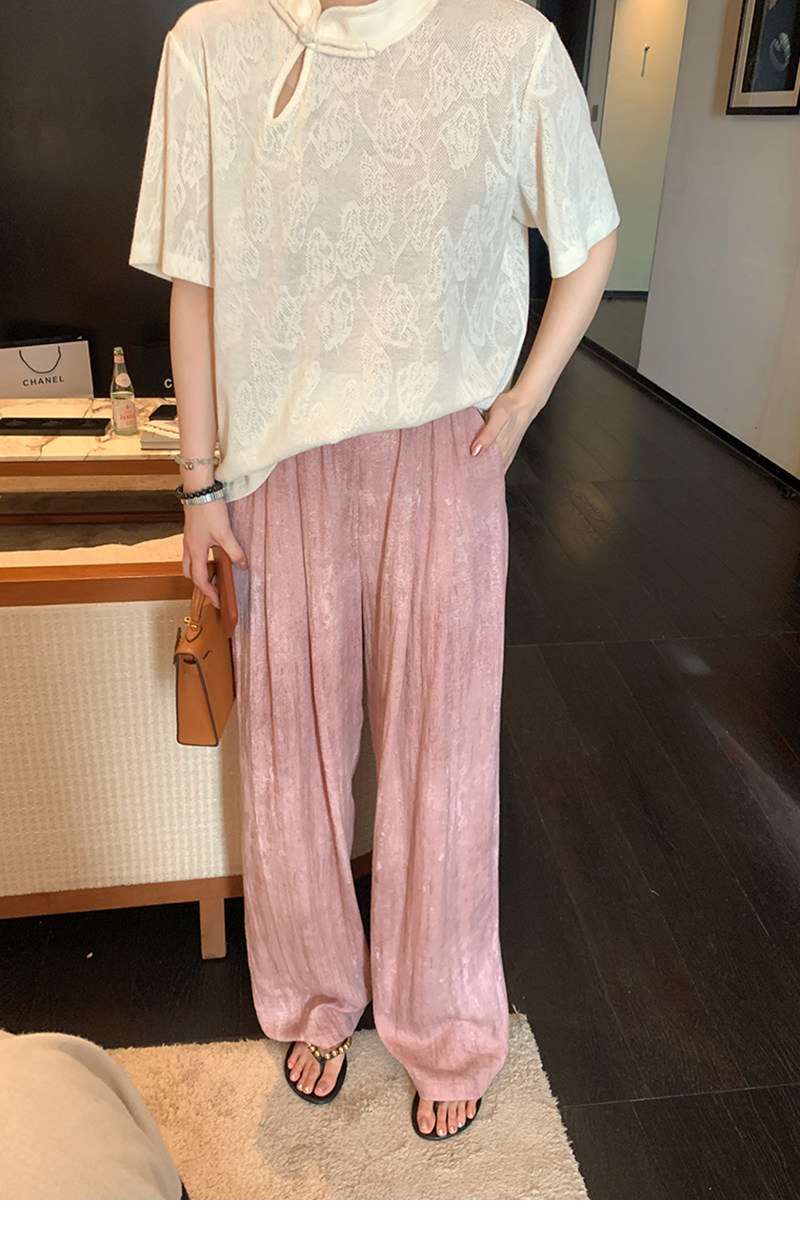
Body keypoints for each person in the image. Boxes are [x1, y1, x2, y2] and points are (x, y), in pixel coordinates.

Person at [129, 0, 619, 1141]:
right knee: (288, 751)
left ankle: (443, 1014)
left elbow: (588, 234)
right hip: (275, 458)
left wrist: (525, 398)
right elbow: (194, 279)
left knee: (441, 751)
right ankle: (315, 991)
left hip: (444, 451)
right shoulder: (212, 44)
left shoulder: (506, 41)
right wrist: (197, 485)